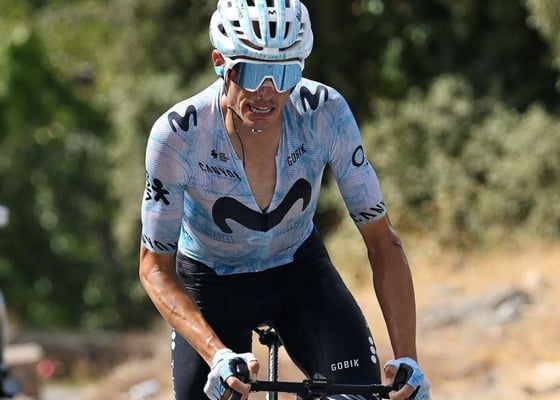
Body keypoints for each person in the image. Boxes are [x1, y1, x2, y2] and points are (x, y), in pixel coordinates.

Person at [139, 1, 431, 399]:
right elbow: (154, 268)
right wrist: (215, 353)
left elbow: (383, 242)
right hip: (210, 282)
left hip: (299, 272)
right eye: (252, 72)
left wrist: (408, 357)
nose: (267, 92)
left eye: (284, 73)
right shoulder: (178, 136)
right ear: (220, 63)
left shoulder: (326, 113)